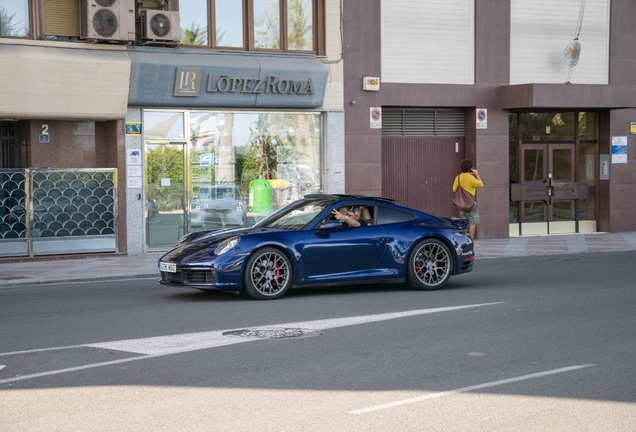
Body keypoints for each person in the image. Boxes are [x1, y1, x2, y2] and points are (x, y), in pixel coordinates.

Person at [452, 159, 483, 239]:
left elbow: (454, 189)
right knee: (472, 222)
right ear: (470, 168)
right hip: (471, 204)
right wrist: (477, 174)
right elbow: (481, 184)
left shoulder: (458, 177)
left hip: (461, 204)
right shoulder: (471, 178)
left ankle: (461, 239)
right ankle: (471, 240)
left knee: (462, 221)